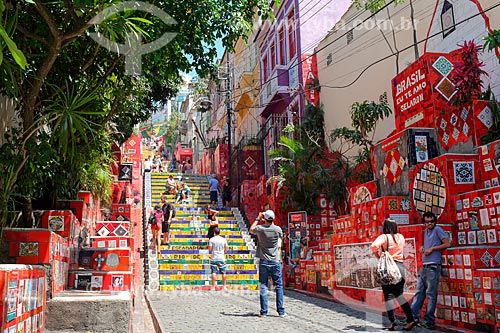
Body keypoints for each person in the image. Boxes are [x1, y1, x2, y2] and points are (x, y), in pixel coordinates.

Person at [371, 218, 415, 331]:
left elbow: (373, 246)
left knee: (388, 296)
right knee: (400, 296)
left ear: (385, 227)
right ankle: (410, 320)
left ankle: (393, 322)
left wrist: (379, 257)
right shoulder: (401, 237)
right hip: (400, 267)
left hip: (388, 269)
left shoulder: (384, 237)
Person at [411, 211, 450, 329]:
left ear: (435, 221)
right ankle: (412, 317)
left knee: (431, 295)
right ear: (424, 223)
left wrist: (432, 249)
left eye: (431, 221)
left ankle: (429, 320)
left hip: (433, 266)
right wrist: (423, 248)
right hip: (425, 266)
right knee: (419, 293)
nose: (429, 224)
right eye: (427, 222)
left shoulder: (438, 230)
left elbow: (447, 243)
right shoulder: (426, 232)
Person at [250, 210, 286, 318]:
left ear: (264, 218)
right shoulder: (277, 229)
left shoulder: (260, 229)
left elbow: (251, 229)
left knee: (263, 286)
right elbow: (281, 239)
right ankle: (281, 311)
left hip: (264, 261)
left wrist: (258, 218)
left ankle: (264, 311)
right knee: (279, 286)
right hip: (275, 260)